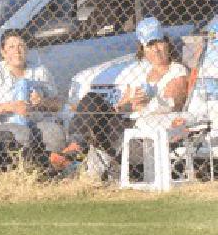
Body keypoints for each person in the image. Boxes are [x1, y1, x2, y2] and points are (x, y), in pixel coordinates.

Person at [53, 17, 189, 171]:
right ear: (143, 49)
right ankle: (75, 146)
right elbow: (121, 106)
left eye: (159, 42)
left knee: (97, 125)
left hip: (142, 131)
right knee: (92, 99)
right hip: (123, 123)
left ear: (167, 44)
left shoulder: (177, 71)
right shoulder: (142, 71)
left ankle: (73, 159)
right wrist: (129, 101)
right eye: (150, 45)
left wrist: (145, 105)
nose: (156, 49)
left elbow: (174, 103)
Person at [0, 30, 63, 167]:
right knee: (23, 135)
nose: (17, 51)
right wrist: (11, 107)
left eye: (21, 46)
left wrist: (41, 102)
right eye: (11, 47)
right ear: (3, 52)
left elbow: (58, 104)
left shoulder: (39, 71)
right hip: (7, 123)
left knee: (55, 133)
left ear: (26, 49)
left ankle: (51, 168)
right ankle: (26, 170)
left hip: (37, 121)